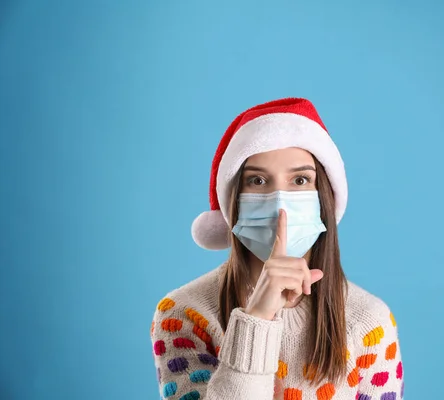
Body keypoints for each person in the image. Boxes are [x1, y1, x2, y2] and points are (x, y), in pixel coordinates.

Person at [150, 98, 404, 400]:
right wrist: (257, 318)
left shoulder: (368, 321)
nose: (280, 201)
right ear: (233, 201)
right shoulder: (184, 314)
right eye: (257, 180)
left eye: (300, 180)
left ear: (324, 197)